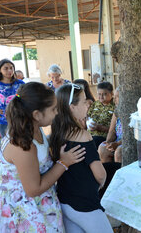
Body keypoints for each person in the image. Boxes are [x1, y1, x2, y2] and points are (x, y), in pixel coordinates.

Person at [0, 82, 85, 232]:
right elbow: (33, 189)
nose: (57, 112)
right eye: (53, 109)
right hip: (27, 212)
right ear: (37, 115)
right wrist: (63, 163)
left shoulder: (34, 127)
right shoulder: (23, 145)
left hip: (41, 205)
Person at [49, 83, 112, 232]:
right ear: (72, 107)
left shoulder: (55, 133)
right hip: (85, 204)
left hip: (64, 200)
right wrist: (100, 184)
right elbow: (100, 174)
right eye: (84, 101)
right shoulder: (82, 135)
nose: (88, 105)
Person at [0, 59, 25, 140]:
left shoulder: (20, 83)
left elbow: (26, 98)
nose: (9, 70)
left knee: (21, 142)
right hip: (3, 121)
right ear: (0, 70)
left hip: (19, 119)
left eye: (11, 68)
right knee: (6, 143)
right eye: (5, 68)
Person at [98, 87, 122, 163]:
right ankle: (108, 174)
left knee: (119, 151)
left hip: (125, 143)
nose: (114, 100)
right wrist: (108, 142)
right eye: (114, 97)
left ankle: (119, 174)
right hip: (116, 142)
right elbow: (112, 131)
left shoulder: (133, 113)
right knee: (102, 148)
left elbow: (130, 136)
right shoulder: (116, 112)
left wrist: (117, 144)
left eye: (117, 97)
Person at [87, 81, 115, 148]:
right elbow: (87, 116)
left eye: (104, 94)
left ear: (111, 93)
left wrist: (101, 128)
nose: (101, 97)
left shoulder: (115, 106)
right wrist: (88, 122)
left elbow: (117, 129)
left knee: (93, 142)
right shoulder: (95, 104)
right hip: (89, 134)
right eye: (99, 94)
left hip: (104, 137)